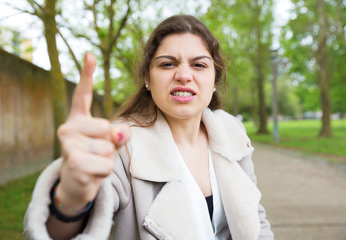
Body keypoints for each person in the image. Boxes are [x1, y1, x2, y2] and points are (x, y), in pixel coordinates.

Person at [24, 15, 274, 240]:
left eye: (199, 65)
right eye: (167, 64)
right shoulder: (120, 145)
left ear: (215, 79)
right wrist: (71, 200)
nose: (184, 75)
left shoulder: (232, 134)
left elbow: (255, 218)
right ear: (147, 78)